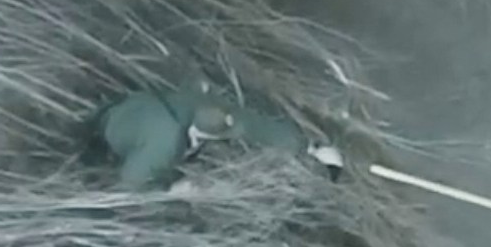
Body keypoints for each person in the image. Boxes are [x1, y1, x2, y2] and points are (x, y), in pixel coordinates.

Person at [88, 78, 343, 190]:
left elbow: (256, 126)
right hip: (109, 128)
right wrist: (171, 190)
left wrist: (310, 147)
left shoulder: (209, 107)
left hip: (144, 108)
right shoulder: (165, 143)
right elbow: (131, 182)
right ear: (197, 133)